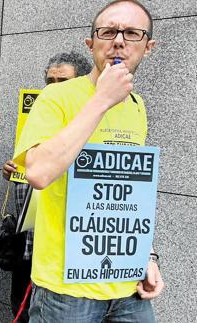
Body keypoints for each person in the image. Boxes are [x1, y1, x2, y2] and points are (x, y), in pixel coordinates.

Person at [12, 1, 163, 321]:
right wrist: (101, 101)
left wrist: (147, 255)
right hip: (66, 291)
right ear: (91, 43)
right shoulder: (56, 97)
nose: (119, 40)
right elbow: (38, 173)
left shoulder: (137, 105)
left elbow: (132, 192)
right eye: (108, 31)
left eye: (132, 33)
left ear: (148, 47)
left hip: (127, 285)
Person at [2, 51, 92, 322]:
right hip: (29, 244)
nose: (52, 88)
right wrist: (15, 173)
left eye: (62, 81)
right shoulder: (39, 119)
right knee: (20, 309)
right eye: (49, 81)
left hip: (61, 253)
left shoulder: (87, 128)